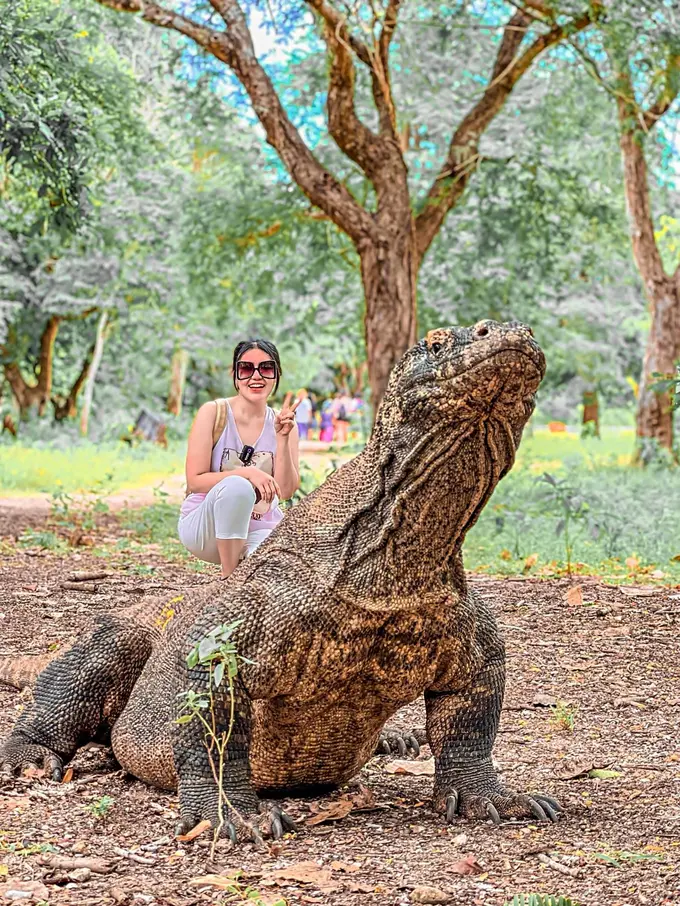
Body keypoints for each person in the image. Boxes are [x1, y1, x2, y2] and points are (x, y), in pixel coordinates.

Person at [178, 339, 300, 578]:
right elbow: (194, 482)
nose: (256, 376)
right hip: (206, 528)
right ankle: (228, 578)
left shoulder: (285, 424)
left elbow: (285, 492)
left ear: (276, 374)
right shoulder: (213, 413)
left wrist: (282, 439)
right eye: (246, 368)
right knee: (238, 486)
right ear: (235, 375)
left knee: (275, 574)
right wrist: (247, 472)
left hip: (260, 528)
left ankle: (243, 576)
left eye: (266, 368)